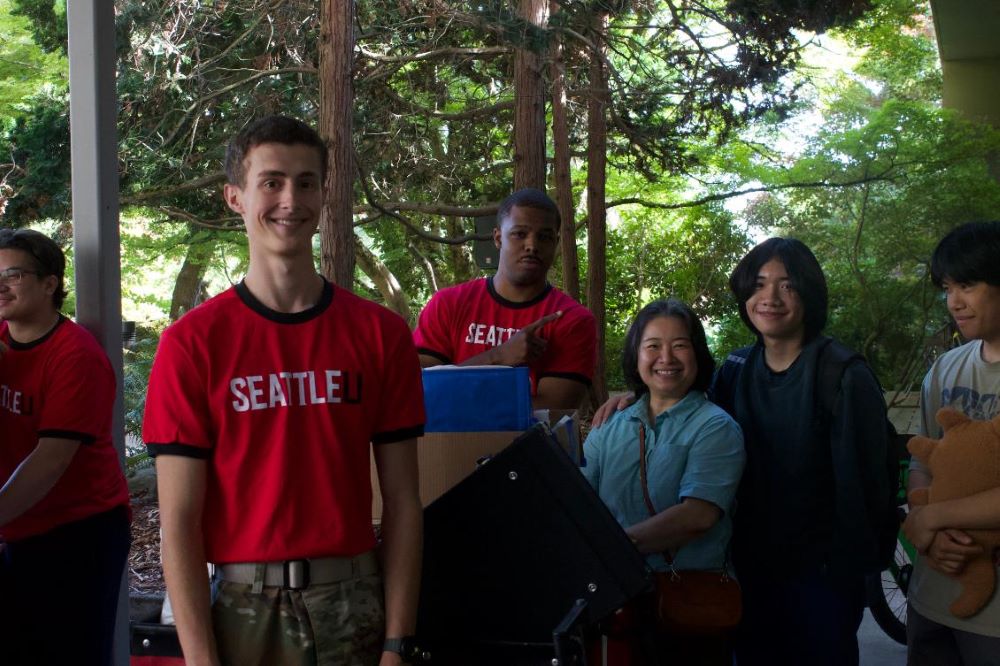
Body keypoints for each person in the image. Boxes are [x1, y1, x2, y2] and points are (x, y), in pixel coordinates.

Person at [143, 116, 425, 666]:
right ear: (235, 198)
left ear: (323, 194)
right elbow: (178, 523)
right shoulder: (191, 344)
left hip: (355, 602)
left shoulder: (380, 335)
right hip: (245, 609)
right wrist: (201, 659)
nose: (289, 199)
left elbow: (404, 502)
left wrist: (398, 640)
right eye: (271, 182)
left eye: (306, 182)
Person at [593, 237, 893, 665]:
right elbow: (685, 405)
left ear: (809, 293)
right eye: (759, 284)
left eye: (787, 285)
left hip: (820, 578)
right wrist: (632, 397)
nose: (770, 297)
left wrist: (850, 576)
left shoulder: (842, 375)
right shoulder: (737, 369)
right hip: (748, 570)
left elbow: (865, 486)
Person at [583, 298, 745, 665]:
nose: (666, 358)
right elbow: (581, 498)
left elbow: (698, 516)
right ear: (636, 355)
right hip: (614, 599)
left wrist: (614, 548)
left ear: (698, 354)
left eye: (680, 345)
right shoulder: (610, 424)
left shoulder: (716, 426)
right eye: (653, 346)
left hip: (687, 603)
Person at [0, 228, 131, 666]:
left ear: (49, 283)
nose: (1, 285)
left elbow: (51, 460)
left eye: (13, 275)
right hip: (16, 523)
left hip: (77, 532)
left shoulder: (75, 356)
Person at [903, 221, 1000, 665]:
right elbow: (923, 461)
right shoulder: (946, 369)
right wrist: (925, 526)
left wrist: (930, 517)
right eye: (947, 288)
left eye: (967, 284)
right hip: (932, 599)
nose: (953, 302)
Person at [413, 188, 597, 410]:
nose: (532, 245)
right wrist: (498, 356)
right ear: (498, 238)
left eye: (544, 237)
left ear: (556, 243)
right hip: (447, 444)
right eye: (519, 234)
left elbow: (552, 411)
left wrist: (455, 393)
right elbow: (418, 391)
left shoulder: (573, 320)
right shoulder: (448, 304)